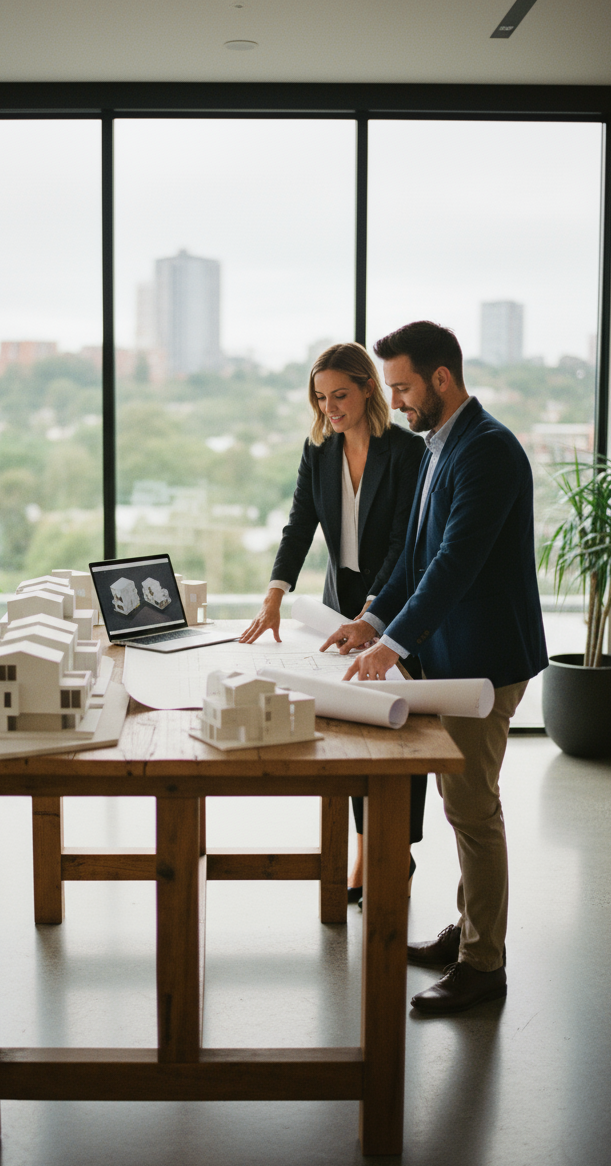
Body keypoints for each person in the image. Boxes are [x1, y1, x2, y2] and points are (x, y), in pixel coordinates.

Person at [321, 321, 547, 1014]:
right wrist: (372, 618)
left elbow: (454, 566)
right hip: (447, 655)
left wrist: (391, 645)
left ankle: (485, 963)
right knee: (459, 806)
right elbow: (415, 556)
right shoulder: (439, 445)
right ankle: (469, 931)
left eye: (404, 387)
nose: (398, 401)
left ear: (442, 379)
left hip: (485, 661)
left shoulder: (489, 452)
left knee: (474, 809)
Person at [239, 342, 426, 899]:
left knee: (399, 727)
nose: (330, 409)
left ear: (369, 388)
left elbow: (403, 543)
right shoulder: (318, 450)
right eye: (321, 399)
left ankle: (394, 852)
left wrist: (375, 612)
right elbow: (299, 527)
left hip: (393, 602)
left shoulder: (406, 451)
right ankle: (369, 852)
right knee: (351, 725)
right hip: (338, 602)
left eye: (340, 395)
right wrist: (275, 593)